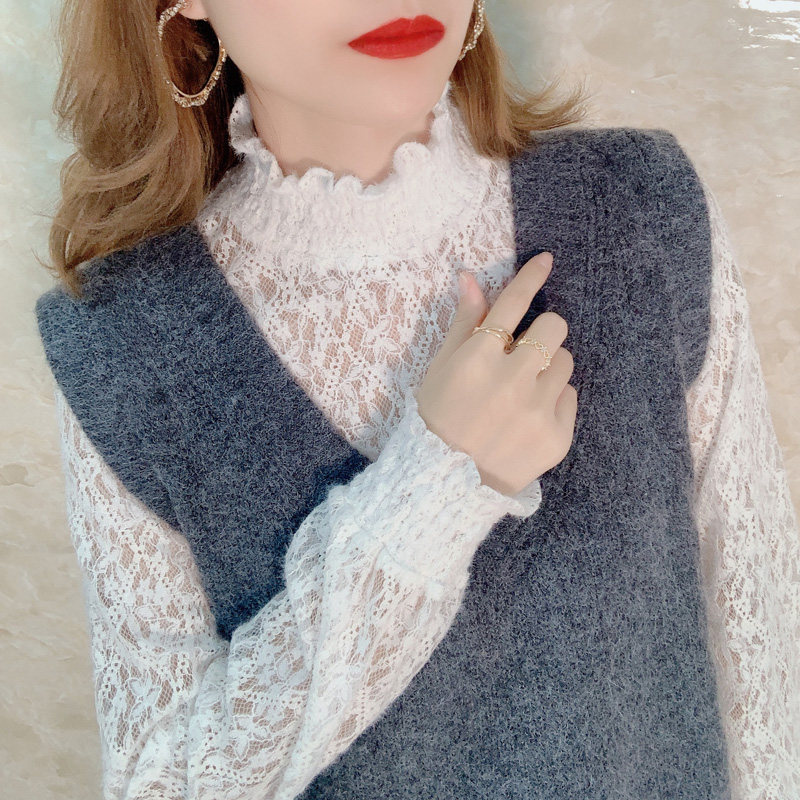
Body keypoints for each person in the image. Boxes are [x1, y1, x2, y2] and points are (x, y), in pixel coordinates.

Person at [34, 1, 799, 798]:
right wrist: (433, 492)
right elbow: (159, 783)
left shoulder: (640, 209)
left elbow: (763, 663)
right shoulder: (120, 343)